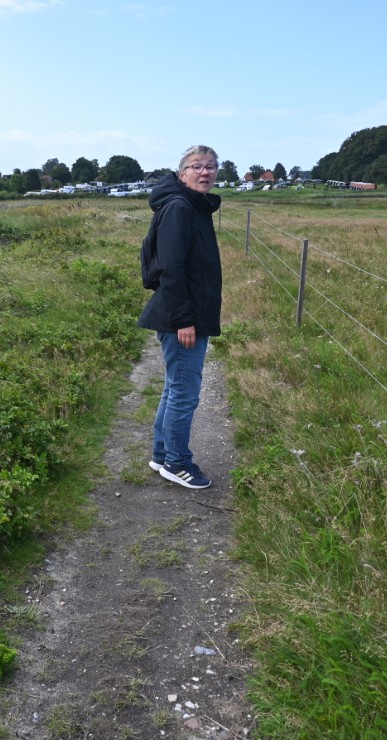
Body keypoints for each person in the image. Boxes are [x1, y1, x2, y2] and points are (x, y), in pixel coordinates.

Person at [138, 145, 223, 489]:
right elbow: (171, 269)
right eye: (197, 166)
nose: (205, 172)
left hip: (187, 312)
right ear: (182, 172)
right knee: (184, 393)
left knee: (176, 388)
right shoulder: (179, 208)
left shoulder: (191, 205)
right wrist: (184, 319)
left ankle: (162, 456)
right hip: (183, 317)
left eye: (211, 166)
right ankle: (177, 462)